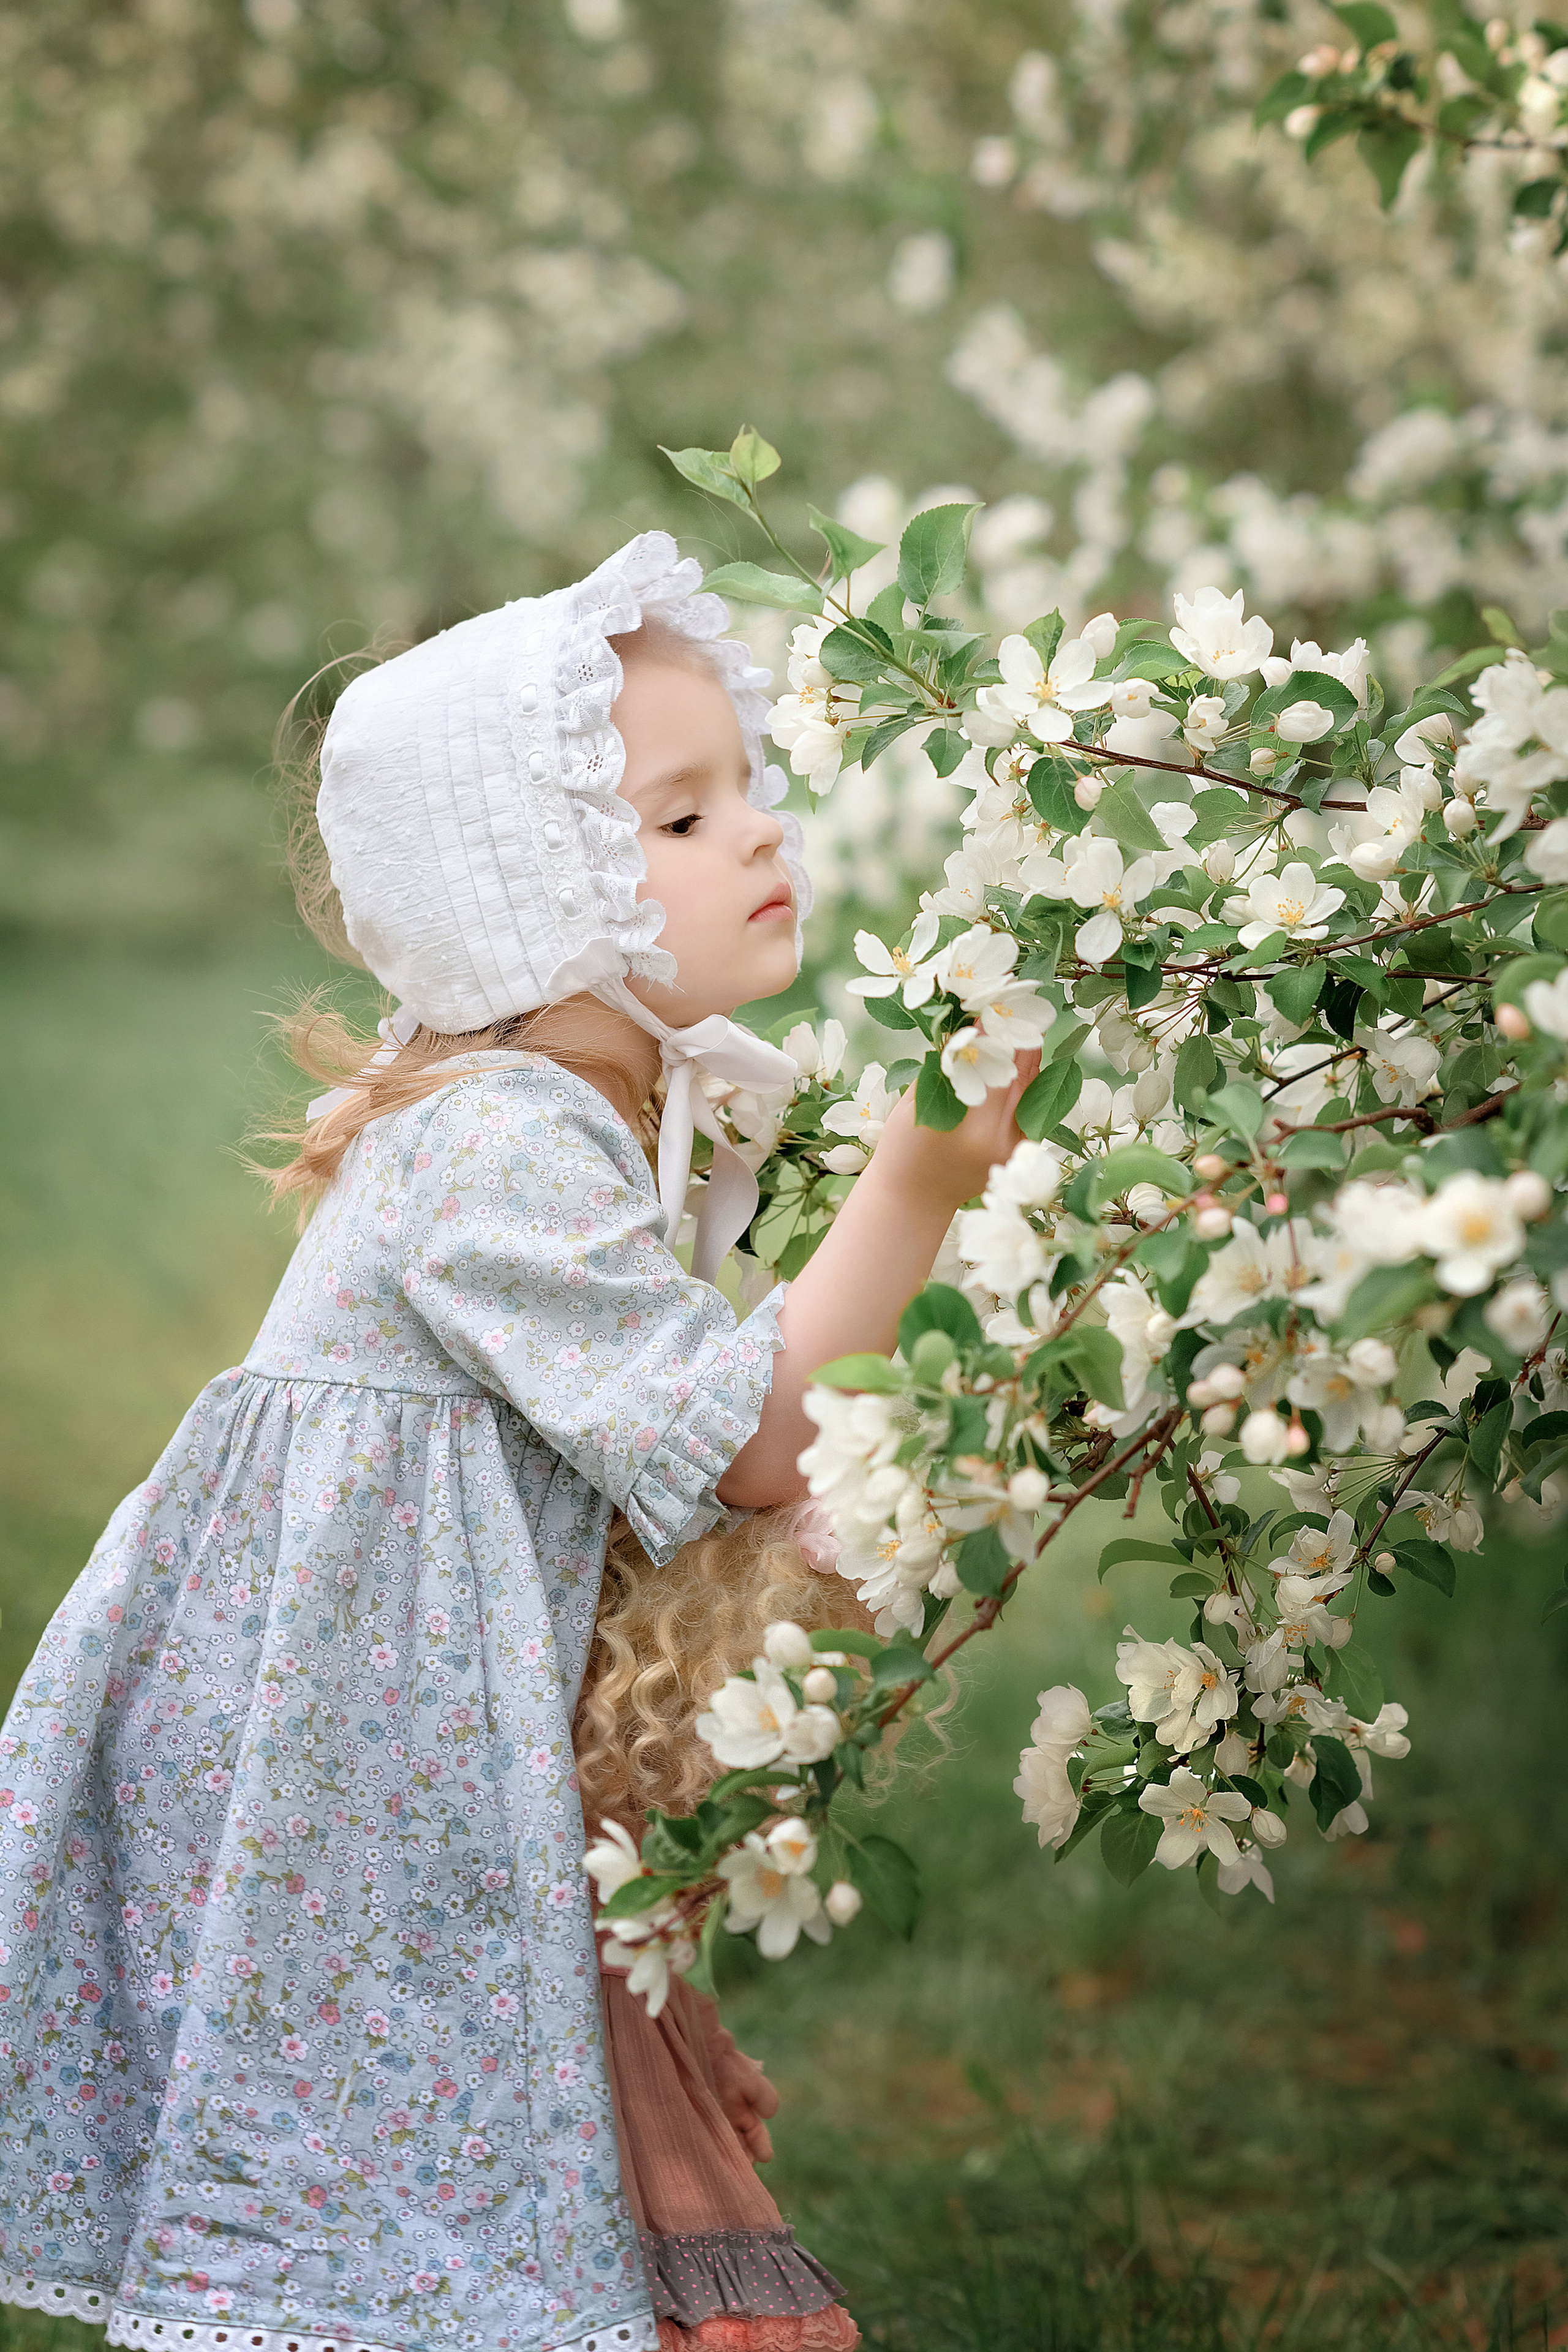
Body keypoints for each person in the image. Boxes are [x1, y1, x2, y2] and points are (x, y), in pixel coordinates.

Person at [0, 532, 1035, 2352]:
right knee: (430, 2201)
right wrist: (921, 1183)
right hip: (366, 1771)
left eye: (747, 792)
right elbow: (755, 1444)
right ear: (531, 890)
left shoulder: (564, 1114)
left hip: (423, 1737)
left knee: (494, 2149)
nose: (763, 836)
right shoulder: (500, 1141)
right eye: (682, 816)